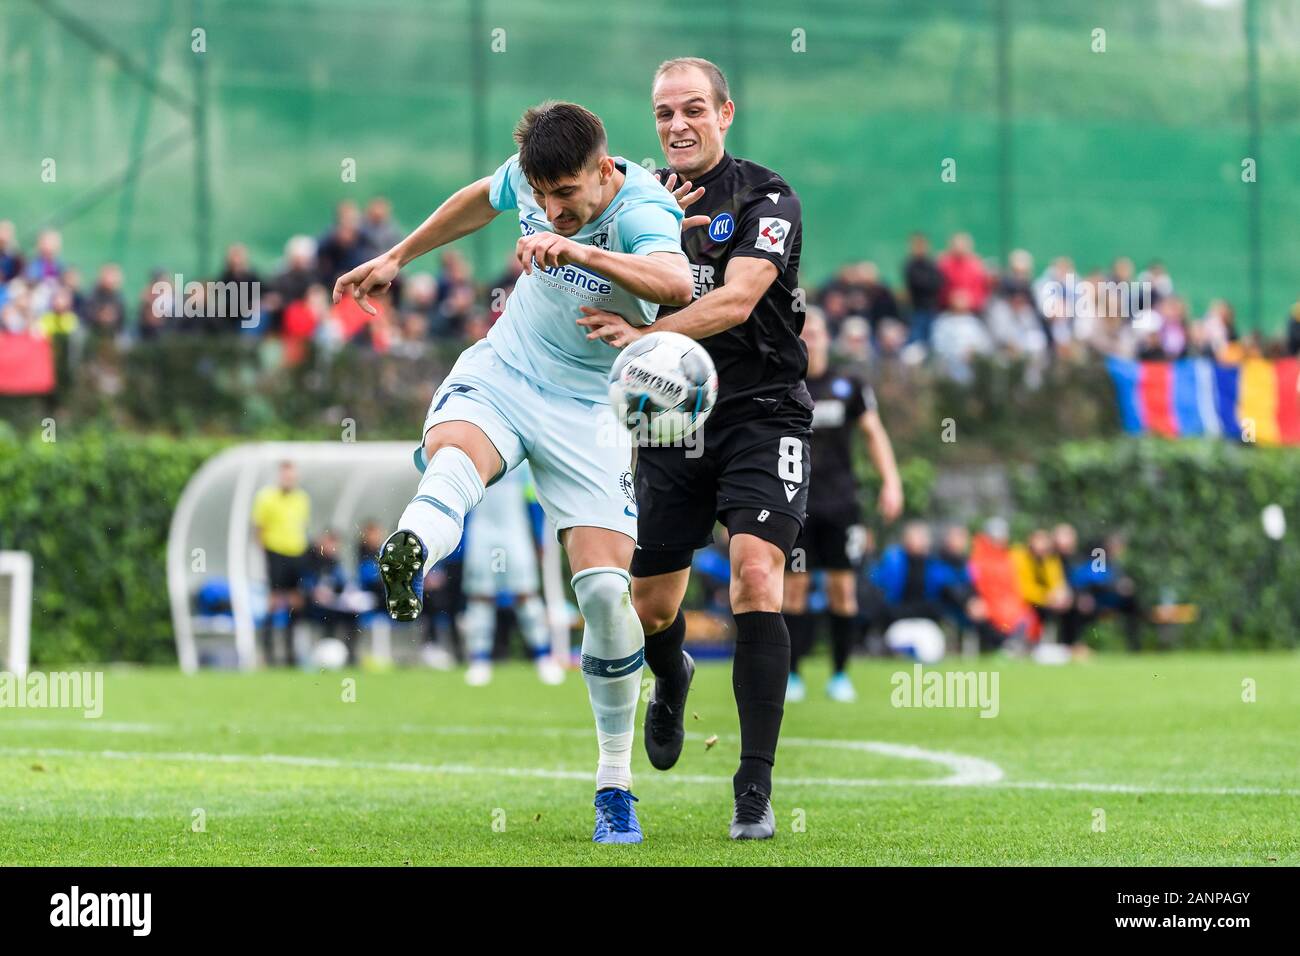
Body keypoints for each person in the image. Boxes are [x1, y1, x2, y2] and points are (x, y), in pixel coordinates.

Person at [333, 100, 691, 845]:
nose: (553, 211)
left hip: (591, 409)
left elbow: (675, 284)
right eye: (543, 198)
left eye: (567, 197)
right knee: (455, 454)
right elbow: (478, 199)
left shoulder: (644, 207)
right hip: (508, 368)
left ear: (601, 170)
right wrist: (399, 256)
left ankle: (614, 786)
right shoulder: (532, 180)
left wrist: (585, 253)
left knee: (600, 593)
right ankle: (414, 552)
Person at [578, 57, 809, 840]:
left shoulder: (768, 196)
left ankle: (754, 786)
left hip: (762, 412)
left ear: (725, 112)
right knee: (650, 608)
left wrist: (645, 336)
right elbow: (580, 255)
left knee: (754, 571)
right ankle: (671, 675)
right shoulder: (638, 193)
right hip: (672, 419)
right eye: (664, 113)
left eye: (692, 111)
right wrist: (643, 248)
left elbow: (739, 300)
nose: (677, 125)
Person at [782, 307, 903, 704]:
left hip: (841, 505)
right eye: (804, 330)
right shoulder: (784, 382)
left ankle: (839, 675)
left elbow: (874, 434)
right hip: (793, 502)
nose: (810, 336)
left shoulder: (849, 385)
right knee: (794, 589)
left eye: (816, 329)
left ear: (826, 336)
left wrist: (891, 482)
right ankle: (793, 674)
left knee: (842, 589)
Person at [459, 463, 564, 687]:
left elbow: (532, 497)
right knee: (480, 595)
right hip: (481, 530)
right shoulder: (473, 453)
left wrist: (537, 534)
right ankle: (479, 661)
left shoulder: (521, 460)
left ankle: (543, 657)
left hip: (515, 529)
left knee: (525, 593)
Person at [251, 461, 311, 666]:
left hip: (296, 552)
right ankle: (268, 652)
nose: (289, 479)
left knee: (296, 601)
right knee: (275, 600)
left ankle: (291, 652)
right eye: (286, 475)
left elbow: (301, 526)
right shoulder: (266, 498)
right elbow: (259, 528)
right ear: (279, 476)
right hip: (275, 552)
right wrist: (264, 555)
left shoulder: (302, 498)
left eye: (292, 476)